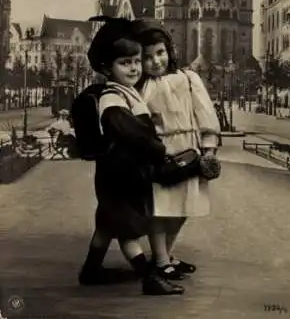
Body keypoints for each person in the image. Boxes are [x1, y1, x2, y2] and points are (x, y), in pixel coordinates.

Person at [78, 16, 184, 295]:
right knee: (127, 231)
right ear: (107, 68)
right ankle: (150, 278)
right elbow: (130, 132)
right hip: (119, 176)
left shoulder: (128, 92)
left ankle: (91, 270)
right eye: (125, 63)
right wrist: (157, 149)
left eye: (137, 61)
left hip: (120, 174)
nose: (134, 68)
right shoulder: (113, 97)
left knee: (106, 225)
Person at [132, 18, 221, 283]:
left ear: (169, 50)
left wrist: (209, 149)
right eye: (147, 57)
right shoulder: (141, 88)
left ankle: (165, 256)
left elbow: (204, 113)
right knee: (160, 208)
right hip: (160, 153)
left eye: (160, 53)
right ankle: (160, 261)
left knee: (183, 208)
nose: (156, 61)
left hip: (189, 152)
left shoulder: (188, 78)